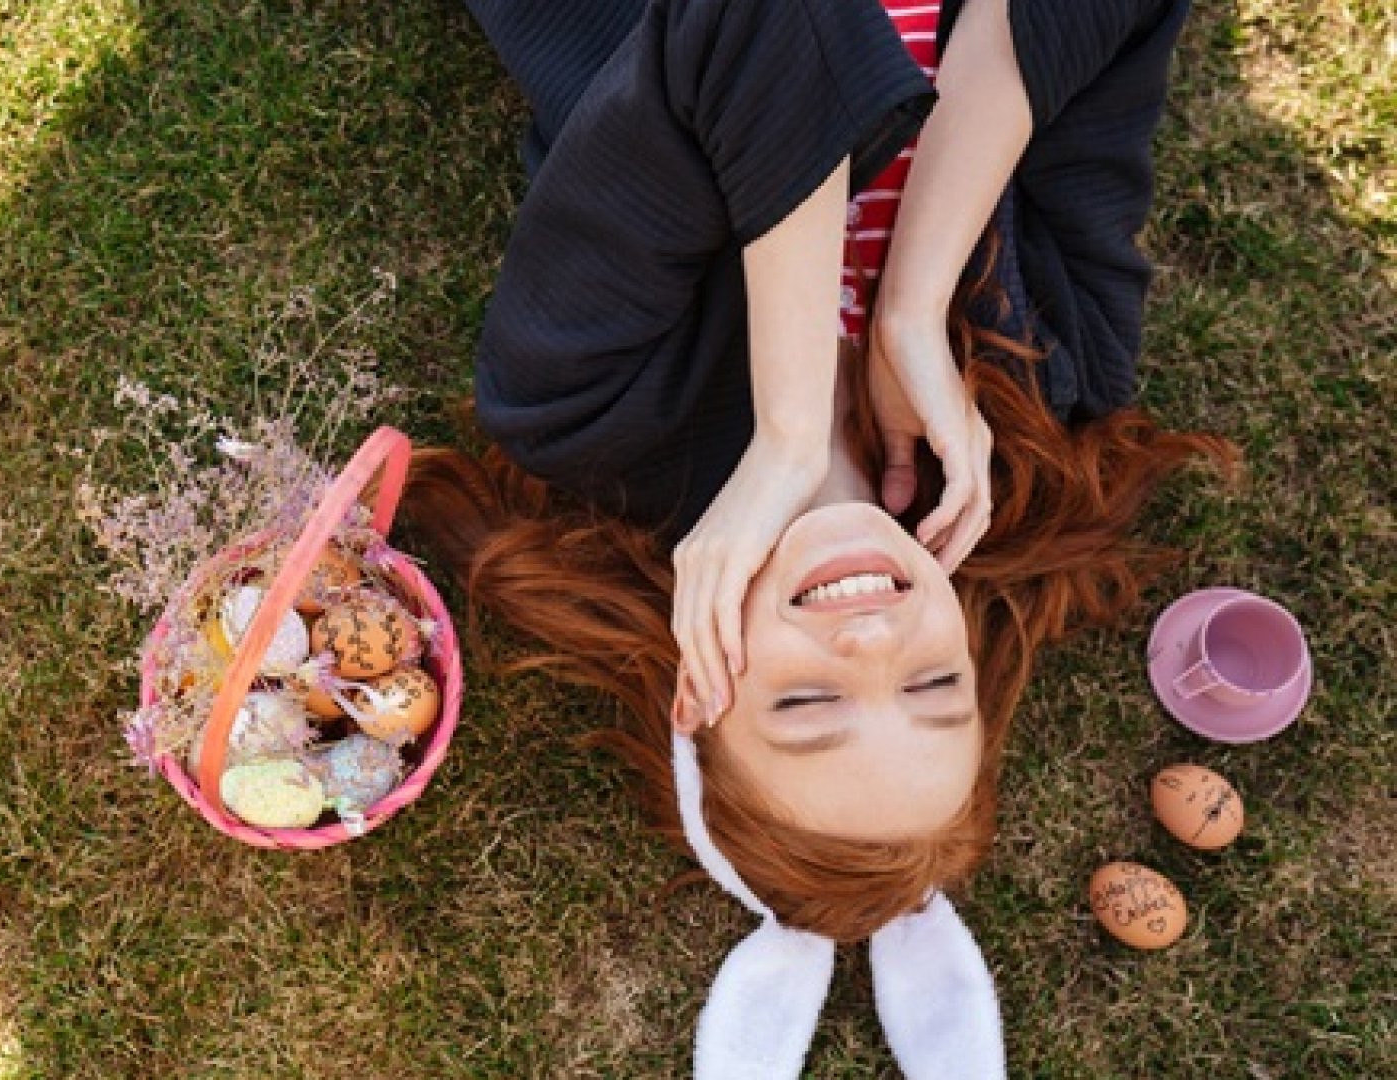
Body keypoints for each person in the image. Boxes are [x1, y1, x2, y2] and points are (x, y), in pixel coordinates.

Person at [403, 0, 1234, 1070]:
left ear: (697, 694)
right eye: (936, 688)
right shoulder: (1051, 378)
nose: (876, 645)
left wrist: (794, 433)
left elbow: (766, 25)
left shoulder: (584, 411)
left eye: (807, 703)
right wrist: (913, 307)